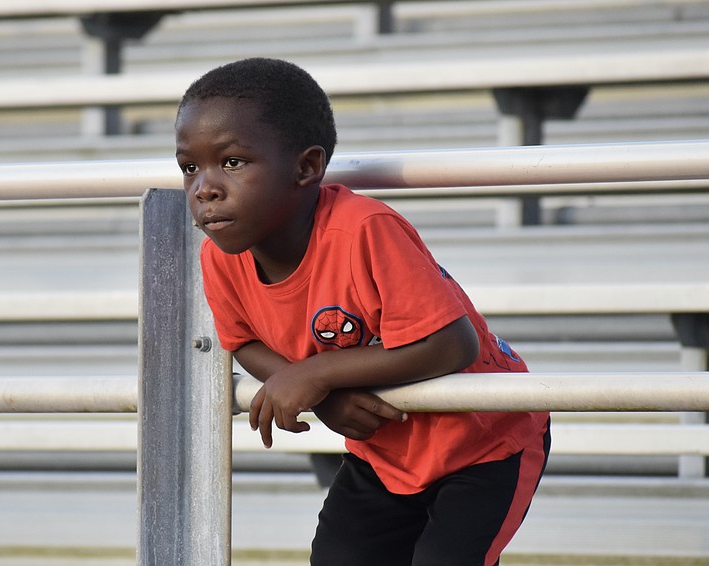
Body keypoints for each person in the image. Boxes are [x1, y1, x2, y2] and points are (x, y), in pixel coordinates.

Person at [175, 57, 551, 566]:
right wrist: (318, 393)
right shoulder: (218, 257)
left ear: (306, 167)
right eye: (190, 167)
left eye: (233, 162)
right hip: (385, 453)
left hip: (484, 443)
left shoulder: (364, 229)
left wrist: (318, 374)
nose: (205, 188)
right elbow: (242, 341)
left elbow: (450, 344)